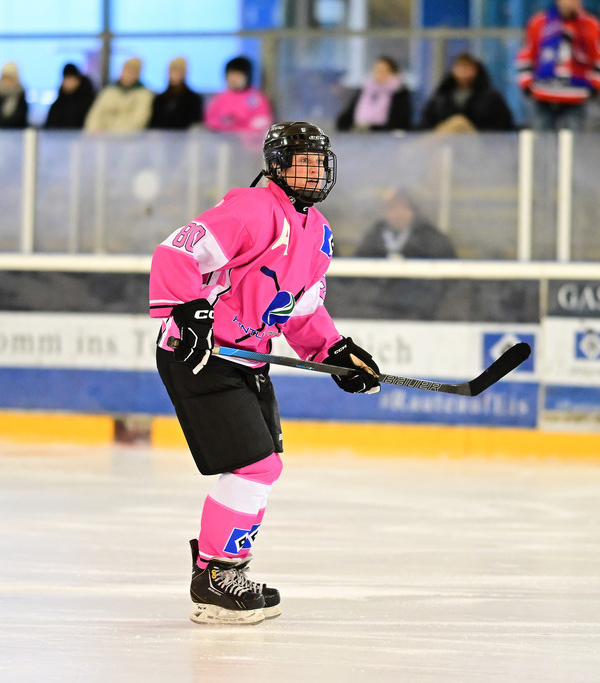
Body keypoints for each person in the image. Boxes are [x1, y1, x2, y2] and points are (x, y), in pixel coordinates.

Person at [149, 121, 380, 625]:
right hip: (204, 355)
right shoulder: (251, 210)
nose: (312, 171)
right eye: (300, 160)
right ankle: (215, 576)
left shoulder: (318, 233)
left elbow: (301, 309)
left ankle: (223, 569)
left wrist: (334, 350)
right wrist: (186, 311)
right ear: (275, 165)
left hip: (249, 361)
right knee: (254, 466)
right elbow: (176, 250)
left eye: (318, 161)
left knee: (264, 467)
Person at [515, 0, 600, 131]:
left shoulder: (591, 24)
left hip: (576, 96)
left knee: (572, 144)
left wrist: (595, 85)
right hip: (543, 94)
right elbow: (525, 55)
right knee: (543, 144)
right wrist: (526, 83)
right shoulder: (538, 23)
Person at [418, 52, 514, 132]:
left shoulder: (491, 97)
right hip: (445, 145)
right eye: (460, 67)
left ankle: (420, 147)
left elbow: (503, 125)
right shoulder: (441, 96)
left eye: (467, 67)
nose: (463, 71)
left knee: (459, 122)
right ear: (453, 70)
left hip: (479, 145)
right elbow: (426, 122)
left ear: (476, 70)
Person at [356, 189, 456, 259]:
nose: (397, 214)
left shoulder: (430, 238)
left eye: (403, 208)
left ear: (413, 210)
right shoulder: (373, 238)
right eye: (391, 208)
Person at [335, 55, 413, 132]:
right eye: (377, 70)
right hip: (359, 136)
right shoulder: (364, 91)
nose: (379, 74)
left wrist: (371, 128)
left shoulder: (400, 93)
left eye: (384, 71)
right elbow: (345, 118)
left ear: (393, 73)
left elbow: (400, 123)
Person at [203, 56, 273, 136]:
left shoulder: (257, 98)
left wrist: (238, 127)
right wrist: (225, 125)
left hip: (249, 143)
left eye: (238, 75)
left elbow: (262, 123)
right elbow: (210, 122)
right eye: (231, 74)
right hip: (223, 141)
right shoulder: (219, 98)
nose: (234, 79)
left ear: (247, 76)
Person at [84, 56, 153, 132]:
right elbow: (95, 114)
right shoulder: (109, 91)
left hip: (129, 138)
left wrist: (117, 133)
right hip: (102, 137)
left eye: (133, 71)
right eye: (127, 70)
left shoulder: (144, 94)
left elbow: (140, 119)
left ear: (138, 74)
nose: (129, 74)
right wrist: (95, 129)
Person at [149, 57, 203, 130]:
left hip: (185, 139)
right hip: (160, 139)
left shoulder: (193, 100)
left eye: (179, 71)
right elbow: (153, 124)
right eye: (173, 70)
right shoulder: (159, 99)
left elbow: (194, 125)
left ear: (184, 73)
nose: (175, 74)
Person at [44, 63, 95, 130]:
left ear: (78, 79)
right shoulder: (58, 104)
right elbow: (49, 127)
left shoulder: (87, 102)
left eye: (71, 78)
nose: (68, 82)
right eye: (66, 79)